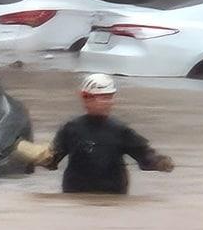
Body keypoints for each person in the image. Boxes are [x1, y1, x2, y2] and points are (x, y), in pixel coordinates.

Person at [38, 73, 174, 194]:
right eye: (102, 98)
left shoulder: (120, 130)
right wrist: (36, 157)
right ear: (86, 98)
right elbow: (52, 159)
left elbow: (144, 156)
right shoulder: (71, 129)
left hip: (114, 197)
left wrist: (160, 162)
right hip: (76, 196)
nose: (107, 103)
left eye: (109, 97)